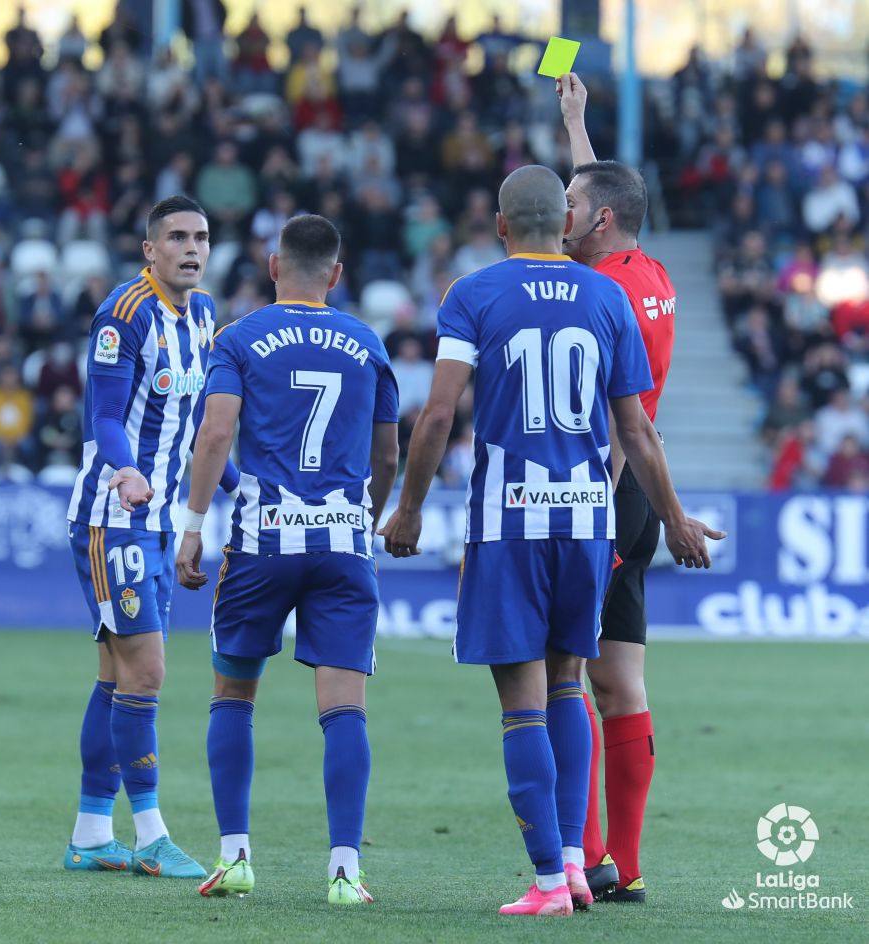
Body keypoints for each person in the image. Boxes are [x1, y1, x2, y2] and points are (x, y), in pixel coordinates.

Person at [380, 165, 721, 917]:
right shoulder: (606, 294)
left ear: (501, 227)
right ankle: (574, 863)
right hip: (590, 521)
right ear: (560, 225)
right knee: (570, 684)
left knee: (521, 706)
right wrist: (673, 518)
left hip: (512, 521)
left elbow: (437, 417)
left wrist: (407, 508)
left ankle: (545, 882)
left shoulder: (473, 293)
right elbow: (637, 428)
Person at [175, 215, 400, 902]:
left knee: (233, 695)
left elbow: (216, 433)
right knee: (344, 710)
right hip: (339, 541)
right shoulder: (367, 342)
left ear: (274, 267)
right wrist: (368, 515)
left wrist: (193, 526)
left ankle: (236, 857)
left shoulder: (238, 338)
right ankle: (344, 871)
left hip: (262, 541)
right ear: (335, 274)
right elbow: (387, 453)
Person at [64, 195, 239, 878]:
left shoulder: (202, 316)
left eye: (200, 236)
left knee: (117, 677)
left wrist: (238, 485)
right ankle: (150, 835)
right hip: (114, 518)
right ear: (149, 249)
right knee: (148, 670)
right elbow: (104, 414)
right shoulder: (125, 313)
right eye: (176, 237)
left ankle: (88, 835)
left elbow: (198, 427)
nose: (191, 248)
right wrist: (128, 469)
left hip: (160, 520)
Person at [558, 72, 679, 903]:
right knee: (620, 683)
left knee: (566, 677)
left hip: (604, 494)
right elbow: (606, 195)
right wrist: (577, 124)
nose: (556, 212)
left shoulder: (601, 292)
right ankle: (624, 866)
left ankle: (589, 858)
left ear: (598, 220)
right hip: (635, 500)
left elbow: (616, 416)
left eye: (568, 202)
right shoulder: (648, 270)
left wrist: (594, 505)